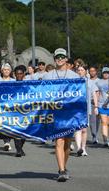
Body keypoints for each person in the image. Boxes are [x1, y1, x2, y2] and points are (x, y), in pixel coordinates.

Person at [42, 48, 79, 182]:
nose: (60, 59)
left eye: (62, 56)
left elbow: (79, 96)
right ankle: (61, 170)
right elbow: (42, 94)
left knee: (67, 144)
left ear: (66, 59)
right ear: (54, 58)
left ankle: (64, 165)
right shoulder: (48, 75)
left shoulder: (74, 76)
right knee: (59, 141)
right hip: (55, 114)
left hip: (69, 115)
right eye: (57, 56)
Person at [75, 64, 98, 156]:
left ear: (85, 71)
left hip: (86, 108)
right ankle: (78, 148)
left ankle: (83, 148)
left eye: (82, 70)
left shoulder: (90, 82)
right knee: (77, 129)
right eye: (79, 70)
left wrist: (96, 107)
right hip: (76, 108)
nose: (80, 71)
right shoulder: (75, 82)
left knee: (84, 129)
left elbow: (94, 94)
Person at [96, 67, 109, 147]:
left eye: (107, 72)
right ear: (102, 73)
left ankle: (107, 137)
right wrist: (96, 105)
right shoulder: (98, 82)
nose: (106, 74)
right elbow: (97, 93)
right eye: (104, 72)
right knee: (104, 122)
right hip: (101, 105)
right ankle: (105, 140)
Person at [14, 65, 27, 157]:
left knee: (25, 131)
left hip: (26, 111)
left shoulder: (28, 86)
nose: (19, 75)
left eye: (20, 74)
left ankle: (20, 147)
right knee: (16, 130)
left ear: (23, 75)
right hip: (14, 111)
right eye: (17, 74)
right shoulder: (11, 85)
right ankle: (18, 150)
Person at [89, 66, 100, 144]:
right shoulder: (88, 81)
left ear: (96, 72)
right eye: (90, 71)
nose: (92, 72)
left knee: (97, 120)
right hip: (91, 102)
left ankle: (95, 134)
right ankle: (94, 136)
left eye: (93, 71)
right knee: (92, 120)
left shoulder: (99, 81)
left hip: (99, 102)